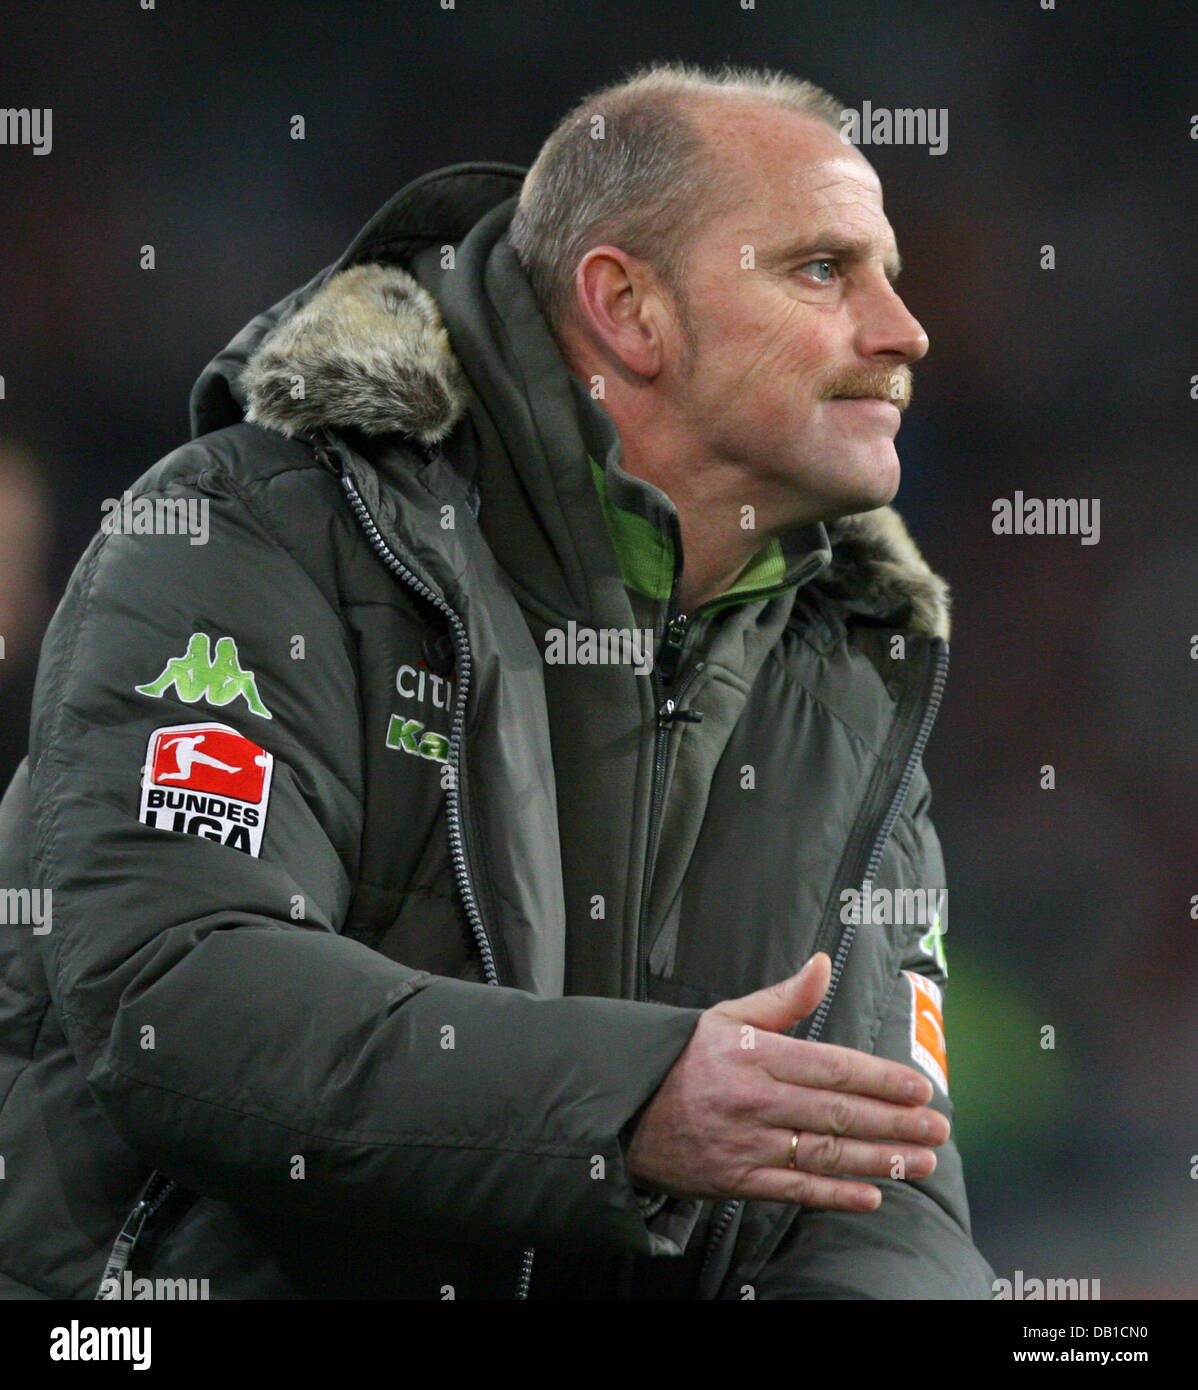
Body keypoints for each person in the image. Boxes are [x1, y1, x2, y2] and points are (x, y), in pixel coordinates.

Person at [0, 62, 995, 1300]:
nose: (903, 329)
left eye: (886, 274)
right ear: (629, 309)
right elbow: (179, 995)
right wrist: (634, 1099)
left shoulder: (848, 666)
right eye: (821, 269)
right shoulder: (252, 535)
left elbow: (884, 1193)